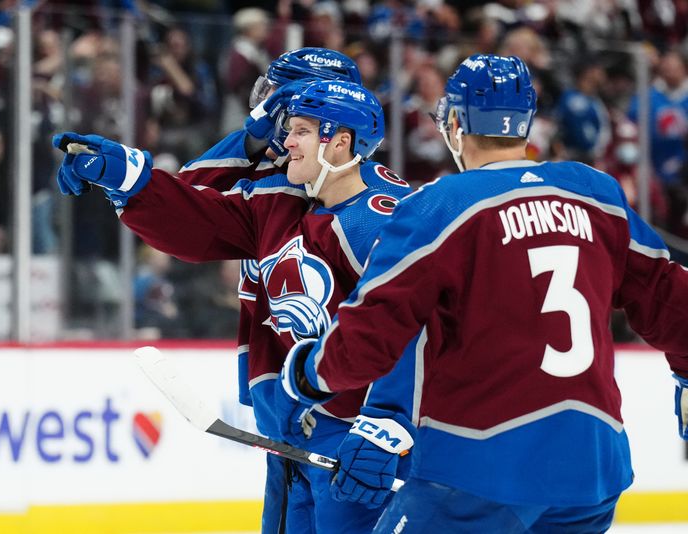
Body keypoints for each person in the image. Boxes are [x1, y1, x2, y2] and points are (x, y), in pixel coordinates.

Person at [275, 54, 688, 533]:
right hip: (592, 468)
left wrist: (308, 374)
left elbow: (373, 331)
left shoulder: (441, 205)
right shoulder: (595, 194)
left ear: (454, 122)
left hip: (479, 468)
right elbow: (667, 296)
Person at [52, 79, 418, 533]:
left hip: (360, 441)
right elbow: (195, 214)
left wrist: (387, 426)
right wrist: (126, 177)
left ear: (340, 141)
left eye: (298, 129)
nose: (283, 141)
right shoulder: (281, 201)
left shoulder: (376, 218)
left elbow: (420, 327)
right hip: (296, 434)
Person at [174, 47, 412, 532]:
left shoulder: (365, 206)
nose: (270, 115)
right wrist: (252, 135)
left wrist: (390, 424)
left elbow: (415, 322)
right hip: (290, 420)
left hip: (350, 429)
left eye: (283, 104)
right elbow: (185, 210)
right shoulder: (277, 180)